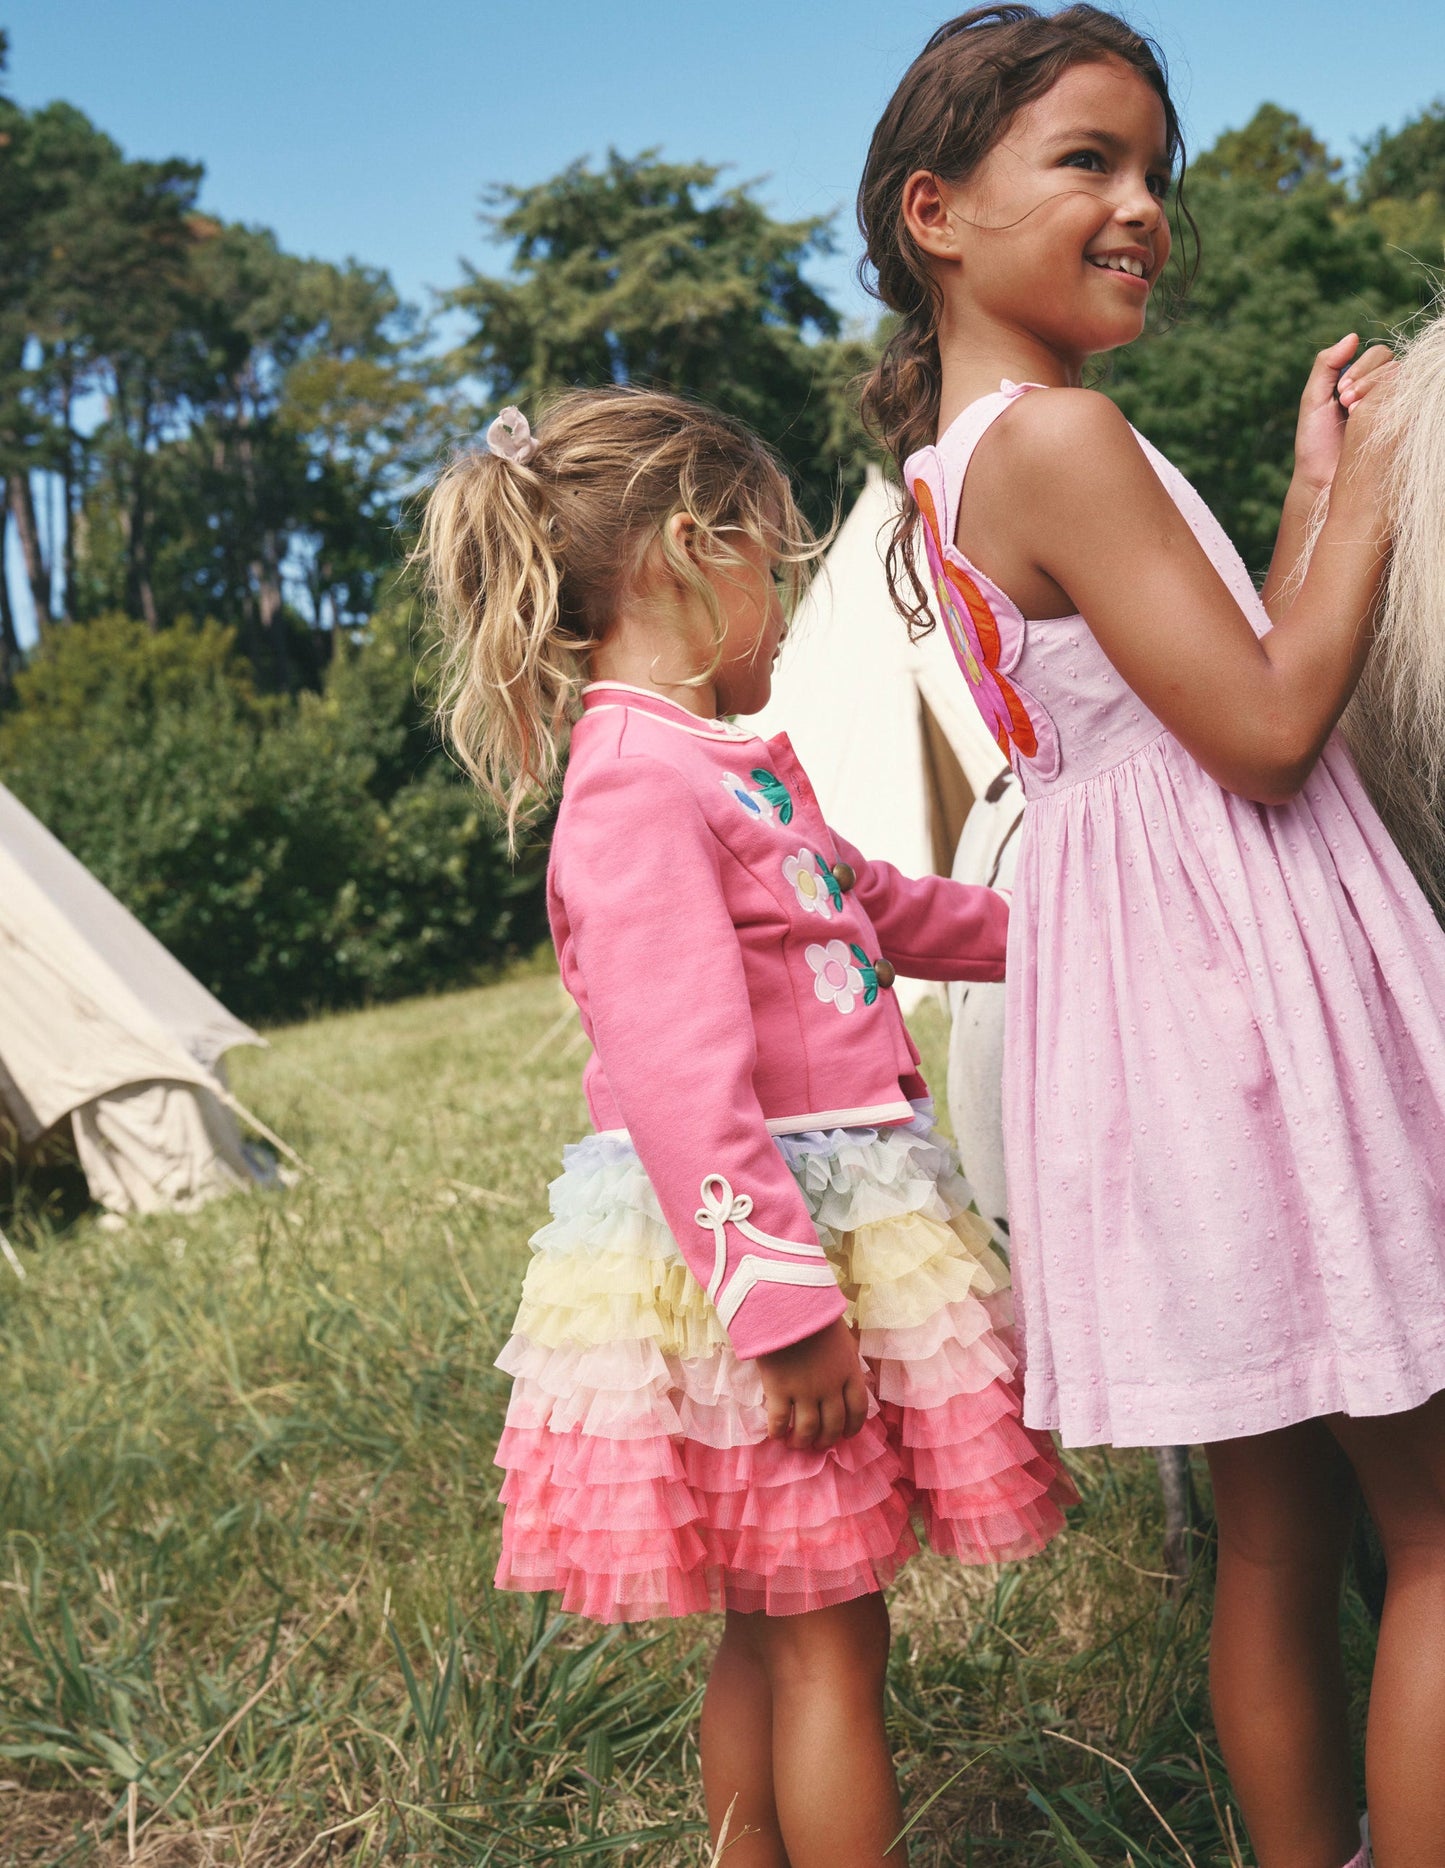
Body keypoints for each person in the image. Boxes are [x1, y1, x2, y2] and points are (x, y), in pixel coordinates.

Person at [857, 10, 1445, 1868]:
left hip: (1156, 1034)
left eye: (1152, 175)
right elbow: (1272, 734)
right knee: (1432, 1527)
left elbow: (1211, 681)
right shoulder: (1064, 439)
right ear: (933, 213)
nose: (1140, 209)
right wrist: (1378, 481)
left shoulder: (959, 468)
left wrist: (1291, 500)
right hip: (1251, 1006)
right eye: (1087, 163)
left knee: (1272, 1540)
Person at [415, 387, 1073, 1868]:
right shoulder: (637, 784)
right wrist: (780, 1311)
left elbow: (875, 908)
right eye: (769, 564)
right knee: (829, 1649)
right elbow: (676, 1078)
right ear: (683, 552)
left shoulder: (729, 762)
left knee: (781, 1624)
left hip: (805, 1217)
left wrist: (1060, 928)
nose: (778, 596)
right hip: (756, 1258)